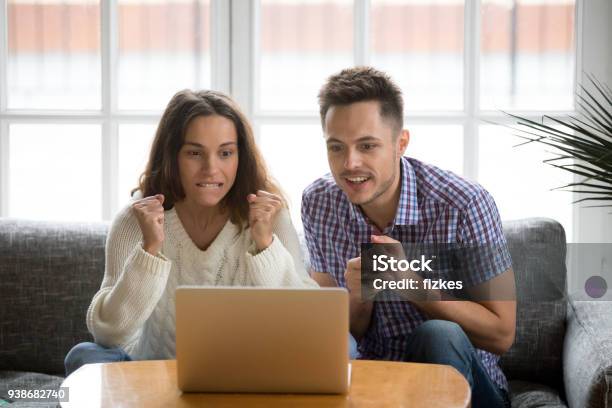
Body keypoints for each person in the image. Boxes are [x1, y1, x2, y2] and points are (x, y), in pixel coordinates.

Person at [301, 67, 515, 408]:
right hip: (377, 384)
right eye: (336, 147)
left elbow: (502, 335)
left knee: (438, 334)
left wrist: (412, 286)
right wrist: (360, 297)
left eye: (367, 145)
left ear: (401, 143)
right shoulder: (320, 203)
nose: (350, 163)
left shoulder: (464, 204)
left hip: (469, 389)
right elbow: (344, 333)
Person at [65, 89, 317, 376]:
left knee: (344, 347)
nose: (211, 169)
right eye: (195, 153)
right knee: (84, 357)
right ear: (172, 155)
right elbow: (108, 334)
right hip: (151, 376)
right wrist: (149, 250)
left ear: (240, 157)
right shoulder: (134, 220)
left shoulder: (270, 216)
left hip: (248, 373)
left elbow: (307, 325)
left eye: (225, 153)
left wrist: (265, 245)